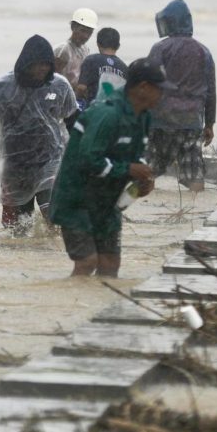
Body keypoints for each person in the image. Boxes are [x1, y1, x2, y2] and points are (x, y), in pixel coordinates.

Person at [50, 59, 164, 277]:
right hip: (77, 201)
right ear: (144, 88)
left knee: (111, 264)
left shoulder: (145, 118)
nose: (163, 96)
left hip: (107, 203)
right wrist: (128, 170)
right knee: (87, 262)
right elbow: (88, 160)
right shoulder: (108, 114)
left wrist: (142, 180)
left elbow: (138, 156)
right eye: (160, 89)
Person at [0, 35, 78, 232]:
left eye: (46, 65)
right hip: (14, 168)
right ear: (25, 63)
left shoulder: (59, 85)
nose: (42, 70)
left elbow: (74, 122)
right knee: (16, 230)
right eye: (37, 65)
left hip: (50, 161)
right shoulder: (1, 87)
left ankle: (54, 258)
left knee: (54, 219)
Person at [146, 0, 216, 192]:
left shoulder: (160, 48)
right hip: (192, 120)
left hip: (160, 119)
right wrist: (210, 123)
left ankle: (144, 198)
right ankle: (195, 207)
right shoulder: (204, 52)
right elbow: (211, 91)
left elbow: (148, 82)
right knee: (193, 171)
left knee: (149, 169)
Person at [76, 27, 128, 109]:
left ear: (98, 44)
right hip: (115, 112)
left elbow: (81, 88)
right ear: (118, 46)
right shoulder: (124, 67)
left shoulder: (91, 60)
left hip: (94, 110)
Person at [54, 8, 97, 92]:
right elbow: (53, 78)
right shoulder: (63, 50)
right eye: (83, 31)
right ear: (73, 27)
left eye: (89, 32)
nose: (86, 36)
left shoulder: (85, 49)